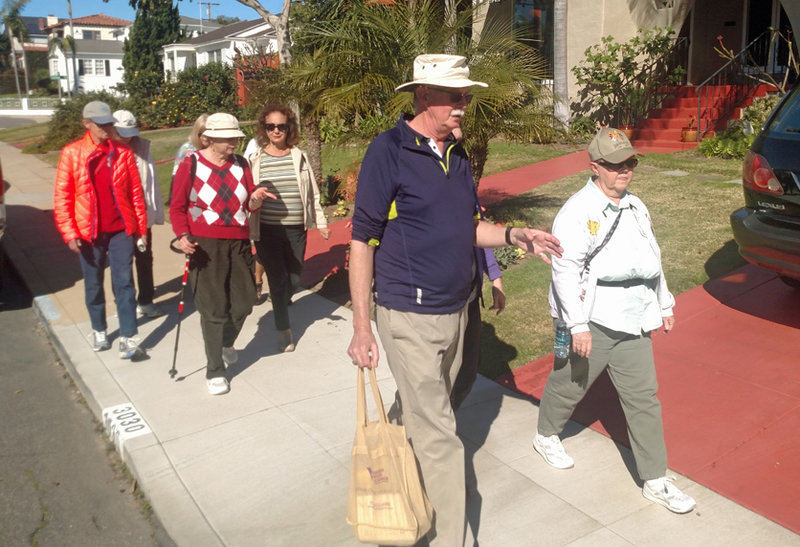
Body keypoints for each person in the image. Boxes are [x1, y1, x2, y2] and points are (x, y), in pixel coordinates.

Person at [347, 54, 562, 546]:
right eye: (455, 96)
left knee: (432, 411)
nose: (464, 106)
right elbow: (363, 239)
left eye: (466, 96)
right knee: (443, 437)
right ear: (423, 96)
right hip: (408, 313)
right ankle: (451, 539)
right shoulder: (389, 152)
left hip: (459, 309)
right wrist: (363, 327)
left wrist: (513, 234)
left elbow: (466, 228)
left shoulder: (458, 154)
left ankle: (402, 467)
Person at [532, 127, 696, 514]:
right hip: (591, 315)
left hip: (634, 317)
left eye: (630, 163)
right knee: (570, 381)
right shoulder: (577, 211)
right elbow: (564, 271)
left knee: (643, 399)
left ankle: (655, 479)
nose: (625, 171)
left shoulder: (636, 207)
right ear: (595, 167)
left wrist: (665, 304)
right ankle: (546, 434)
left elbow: (651, 259)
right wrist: (577, 326)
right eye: (615, 165)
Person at [170, 112, 274, 395]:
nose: (234, 143)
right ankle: (214, 369)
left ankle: (225, 343)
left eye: (236, 138)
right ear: (209, 139)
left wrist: (256, 198)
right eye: (228, 138)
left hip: (239, 242)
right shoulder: (190, 164)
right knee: (213, 308)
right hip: (205, 244)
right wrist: (182, 236)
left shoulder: (241, 163)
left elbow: (249, 204)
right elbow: (177, 207)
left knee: (244, 302)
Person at [53, 100, 148, 358]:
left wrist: (140, 229)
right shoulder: (72, 153)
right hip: (88, 232)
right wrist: (69, 232)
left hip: (121, 229)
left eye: (109, 123)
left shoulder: (123, 152)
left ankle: (128, 336)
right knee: (93, 284)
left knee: (125, 283)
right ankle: (99, 328)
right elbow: (62, 197)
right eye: (101, 124)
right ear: (87, 124)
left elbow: (135, 193)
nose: (107, 128)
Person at [246, 103, 330, 352]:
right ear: (264, 128)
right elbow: (248, 196)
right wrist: (254, 200)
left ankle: (282, 299)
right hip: (267, 230)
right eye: (270, 126)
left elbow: (312, 191)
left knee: (294, 276)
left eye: (281, 126)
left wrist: (321, 221)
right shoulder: (255, 159)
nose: (276, 131)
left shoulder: (298, 155)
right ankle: (283, 328)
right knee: (278, 278)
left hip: (295, 228)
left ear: (288, 127)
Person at [112, 109, 165, 318]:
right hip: (118, 217)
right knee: (120, 262)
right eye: (123, 133)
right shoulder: (108, 151)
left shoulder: (142, 148)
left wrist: (153, 214)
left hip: (142, 214)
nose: (128, 138)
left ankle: (145, 300)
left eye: (130, 133)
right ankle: (123, 302)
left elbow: (150, 184)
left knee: (144, 258)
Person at [450, 247, 504, 411]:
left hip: (470, 301)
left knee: (467, 370)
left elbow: (481, 238)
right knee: (432, 374)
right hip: (439, 307)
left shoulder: (469, 220)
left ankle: (447, 420)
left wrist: (496, 278)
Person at [167, 113, 209, 204]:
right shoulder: (186, 149)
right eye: (202, 133)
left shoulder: (214, 149)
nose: (205, 137)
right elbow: (177, 176)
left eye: (208, 133)